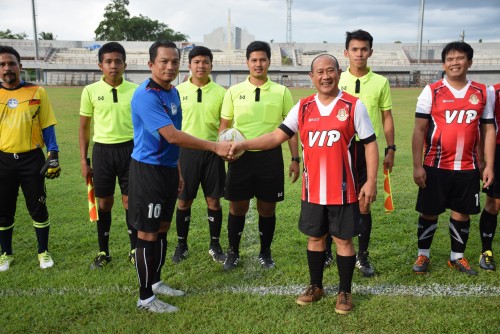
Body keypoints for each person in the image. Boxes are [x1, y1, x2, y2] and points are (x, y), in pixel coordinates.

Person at [228, 54, 378, 315]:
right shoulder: (304, 107)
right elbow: (277, 136)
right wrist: (244, 144)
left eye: (330, 70)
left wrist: (372, 181)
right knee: (315, 237)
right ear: (311, 77)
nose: (325, 76)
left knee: (343, 240)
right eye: (319, 72)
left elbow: (370, 144)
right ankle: (316, 286)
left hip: (344, 190)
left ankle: (344, 292)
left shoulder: (354, 106)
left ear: (339, 73)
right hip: (313, 190)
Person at [129, 40, 231, 313]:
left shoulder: (173, 93)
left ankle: (156, 282)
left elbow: (172, 142)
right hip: (147, 171)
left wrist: (176, 170)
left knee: (162, 228)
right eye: (164, 61)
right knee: (147, 234)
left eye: (174, 61)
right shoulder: (146, 95)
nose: (170, 66)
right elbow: (172, 135)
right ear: (151, 64)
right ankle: (145, 297)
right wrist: (214, 146)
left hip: (168, 169)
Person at [411, 41, 495, 276]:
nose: (454, 62)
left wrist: (487, 164)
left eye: (460, 58)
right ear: (444, 63)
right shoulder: (432, 90)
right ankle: (423, 255)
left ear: (469, 62)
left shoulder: (482, 91)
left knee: (462, 211)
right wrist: (417, 166)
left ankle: (456, 257)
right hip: (436, 165)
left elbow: (488, 130)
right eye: (450, 59)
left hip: (468, 166)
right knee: (429, 211)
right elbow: (419, 130)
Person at [219, 41, 299, 270]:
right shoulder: (234, 92)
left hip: (270, 157)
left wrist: (295, 158)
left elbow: (291, 129)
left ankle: (265, 252)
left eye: (262, 59)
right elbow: (224, 126)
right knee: (237, 208)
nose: (258, 64)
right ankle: (233, 252)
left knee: (267, 208)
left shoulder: (281, 91)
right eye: (254, 60)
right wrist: (224, 149)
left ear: (269, 62)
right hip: (240, 158)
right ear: (247, 62)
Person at [323, 29, 395, 276]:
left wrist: (391, 148)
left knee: (364, 203)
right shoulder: (335, 79)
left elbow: (386, 117)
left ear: (370, 52)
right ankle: (326, 252)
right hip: (338, 149)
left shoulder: (380, 82)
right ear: (346, 53)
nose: (359, 53)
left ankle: (362, 256)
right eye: (354, 49)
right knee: (332, 201)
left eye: (364, 49)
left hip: (367, 149)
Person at [0, 45, 61, 271]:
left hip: (32, 159)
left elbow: (47, 125)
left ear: (20, 67)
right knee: (3, 209)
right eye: (2, 64)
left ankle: (43, 252)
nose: (7, 68)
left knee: (38, 207)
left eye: (11, 63)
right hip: (3, 160)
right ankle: (5, 254)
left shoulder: (37, 91)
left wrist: (53, 154)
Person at [79, 42, 139, 270]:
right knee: (104, 203)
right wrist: (84, 160)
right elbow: (84, 128)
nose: (113, 66)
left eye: (118, 61)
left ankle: (134, 248)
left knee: (129, 201)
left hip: (130, 150)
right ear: (100, 65)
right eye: (108, 62)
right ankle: (103, 250)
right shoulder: (90, 91)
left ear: (125, 64)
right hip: (102, 151)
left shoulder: (135, 90)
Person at [171, 46, 227, 264]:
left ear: (211, 65)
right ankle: (181, 245)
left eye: (205, 62)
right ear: (189, 65)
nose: (201, 66)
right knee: (184, 201)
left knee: (213, 200)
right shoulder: (177, 91)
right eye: (196, 62)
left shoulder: (222, 93)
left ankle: (215, 244)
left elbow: (225, 125)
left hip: (213, 152)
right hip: (186, 153)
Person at [477, 82, 500, 272]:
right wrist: (483, 160)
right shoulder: (494, 91)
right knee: (493, 204)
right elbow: (485, 127)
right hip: (498, 152)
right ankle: (486, 251)